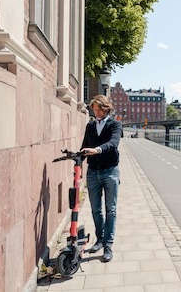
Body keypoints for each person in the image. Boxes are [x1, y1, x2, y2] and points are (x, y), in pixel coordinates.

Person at [80, 95, 122, 262]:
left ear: (106, 109)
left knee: (110, 209)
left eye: (99, 109)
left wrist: (97, 149)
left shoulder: (115, 125)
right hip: (93, 172)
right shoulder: (90, 126)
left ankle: (108, 245)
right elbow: (84, 145)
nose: (96, 112)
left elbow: (113, 143)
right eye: (94, 109)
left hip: (110, 171)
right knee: (95, 209)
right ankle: (100, 239)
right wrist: (78, 158)